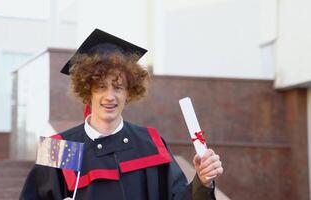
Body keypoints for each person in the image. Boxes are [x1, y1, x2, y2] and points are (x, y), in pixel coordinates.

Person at [20, 29, 223, 200]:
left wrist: (202, 182)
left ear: (129, 93)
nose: (110, 96)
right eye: (100, 87)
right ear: (87, 91)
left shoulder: (149, 143)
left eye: (118, 87)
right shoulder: (61, 148)